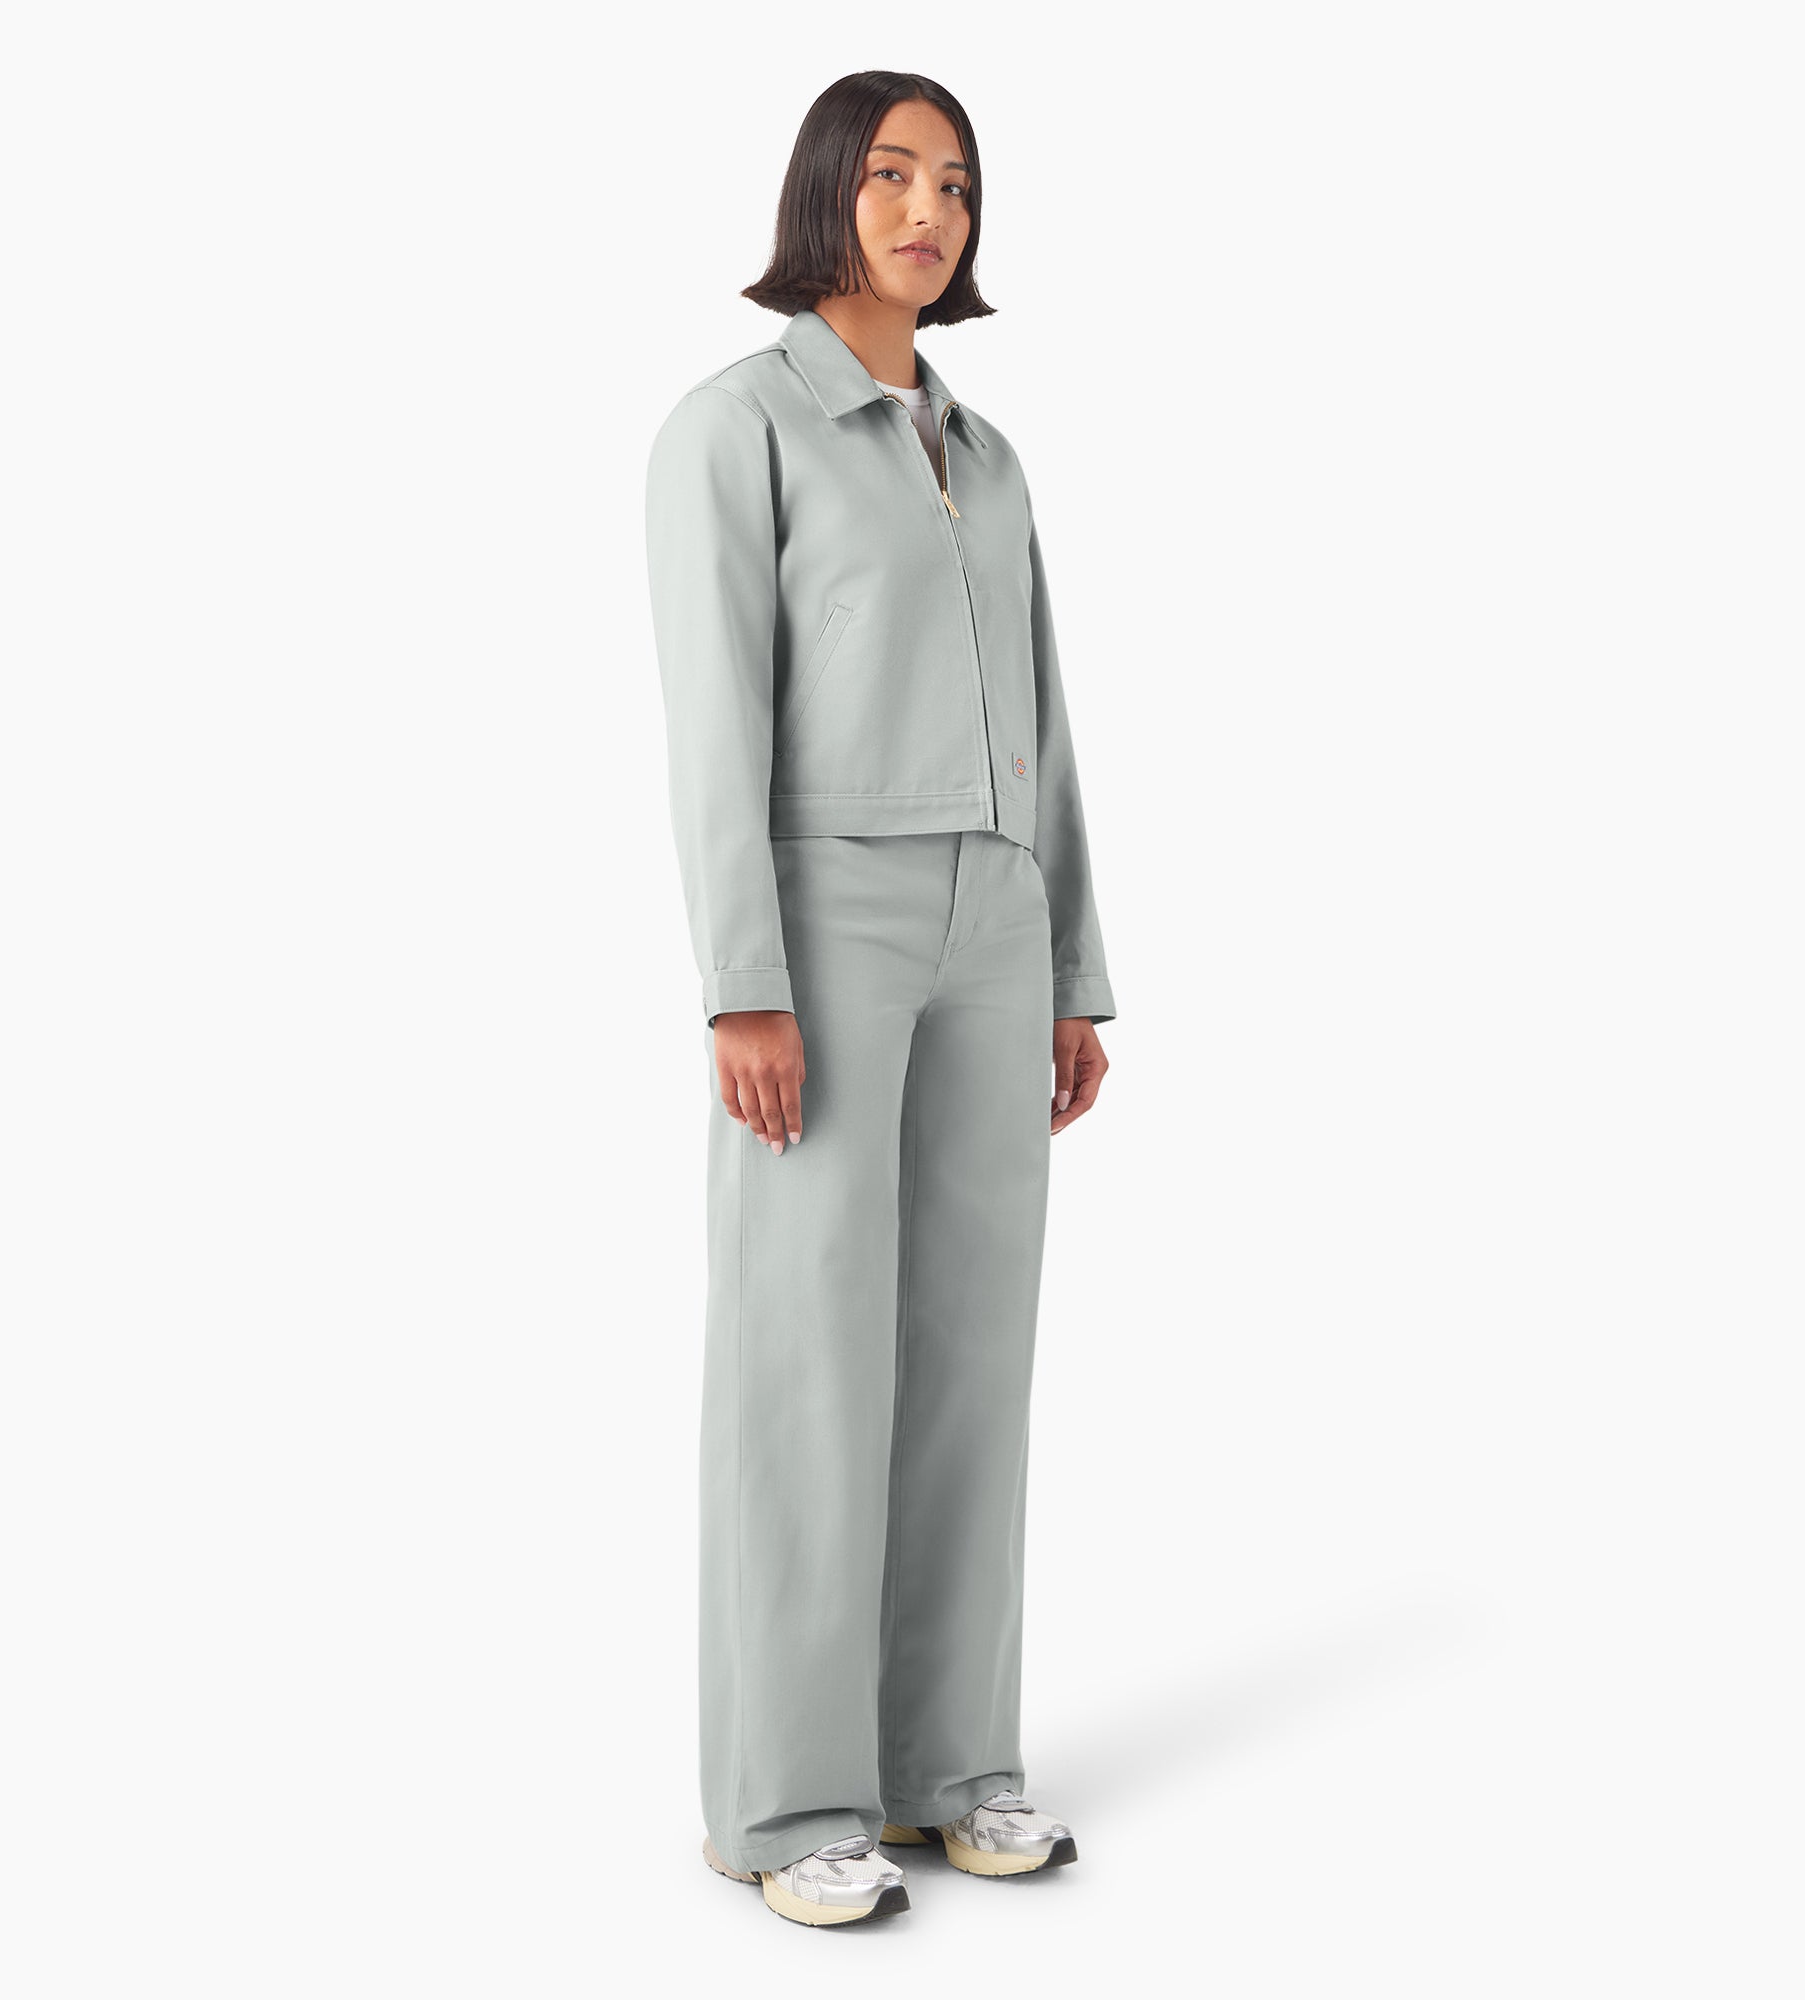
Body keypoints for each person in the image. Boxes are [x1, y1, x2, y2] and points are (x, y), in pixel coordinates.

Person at [642, 71, 1117, 1929]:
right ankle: (783, 1802)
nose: (930, 212)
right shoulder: (733, 429)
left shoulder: (983, 456)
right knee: (806, 1352)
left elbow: (1048, 722)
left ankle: (946, 1765)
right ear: (829, 191)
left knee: (972, 1352)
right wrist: (741, 982)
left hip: (997, 915)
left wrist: (1071, 966)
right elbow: (715, 721)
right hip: (825, 910)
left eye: (959, 186)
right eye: (897, 175)